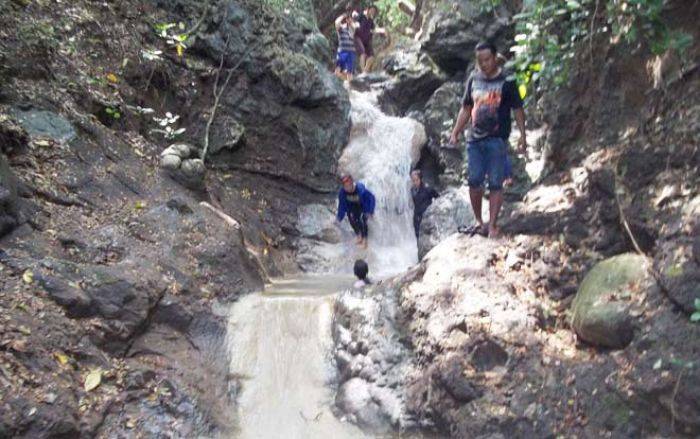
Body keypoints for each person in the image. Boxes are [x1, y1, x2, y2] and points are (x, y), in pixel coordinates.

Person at [449, 41, 527, 238]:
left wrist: (523, 136)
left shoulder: (507, 81)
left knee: (495, 183)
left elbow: (518, 109)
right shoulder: (473, 79)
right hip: (474, 140)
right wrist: (455, 131)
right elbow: (466, 108)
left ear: (494, 58)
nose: (484, 64)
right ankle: (479, 221)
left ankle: (492, 225)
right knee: (474, 181)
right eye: (480, 60)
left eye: (487, 59)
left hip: (497, 140)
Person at [336, 174, 376, 248]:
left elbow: (372, 198)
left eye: (349, 186)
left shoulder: (361, 190)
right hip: (352, 206)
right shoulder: (342, 193)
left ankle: (365, 239)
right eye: (345, 187)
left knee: (363, 219)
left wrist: (370, 211)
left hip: (363, 206)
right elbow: (342, 206)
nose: (347, 188)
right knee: (351, 218)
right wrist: (339, 217)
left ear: (352, 184)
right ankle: (359, 235)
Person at [352, 5, 385, 73]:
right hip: (358, 38)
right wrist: (356, 25)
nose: (372, 12)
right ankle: (362, 71)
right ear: (368, 9)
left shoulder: (371, 20)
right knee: (362, 53)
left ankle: (365, 71)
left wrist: (381, 30)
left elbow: (373, 30)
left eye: (374, 12)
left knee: (372, 57)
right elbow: (355, 23)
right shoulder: (361, 16)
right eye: (372, 10)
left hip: (367, 40)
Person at [410, 169, 439, 239]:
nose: (415, 182)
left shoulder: (427, 188)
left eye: (416, 180)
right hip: (417, 217)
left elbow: (437, 196)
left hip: (426, 216)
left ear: (420, 179)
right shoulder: (412, 190)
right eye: (413, 180)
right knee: (418, 236)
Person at [334, 12, 356, 81]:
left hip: (351, 52)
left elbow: (355, 28)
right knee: (338, 71)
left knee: (350, 72)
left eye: (351, 19)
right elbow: (336, 22)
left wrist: (351, 23)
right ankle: (342, 83)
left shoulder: (353, 28)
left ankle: (350, 86)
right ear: (346, 19)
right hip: (342, 51)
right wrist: (343, 16)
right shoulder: (341, 27)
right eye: (348, 19)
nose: (350, 20)